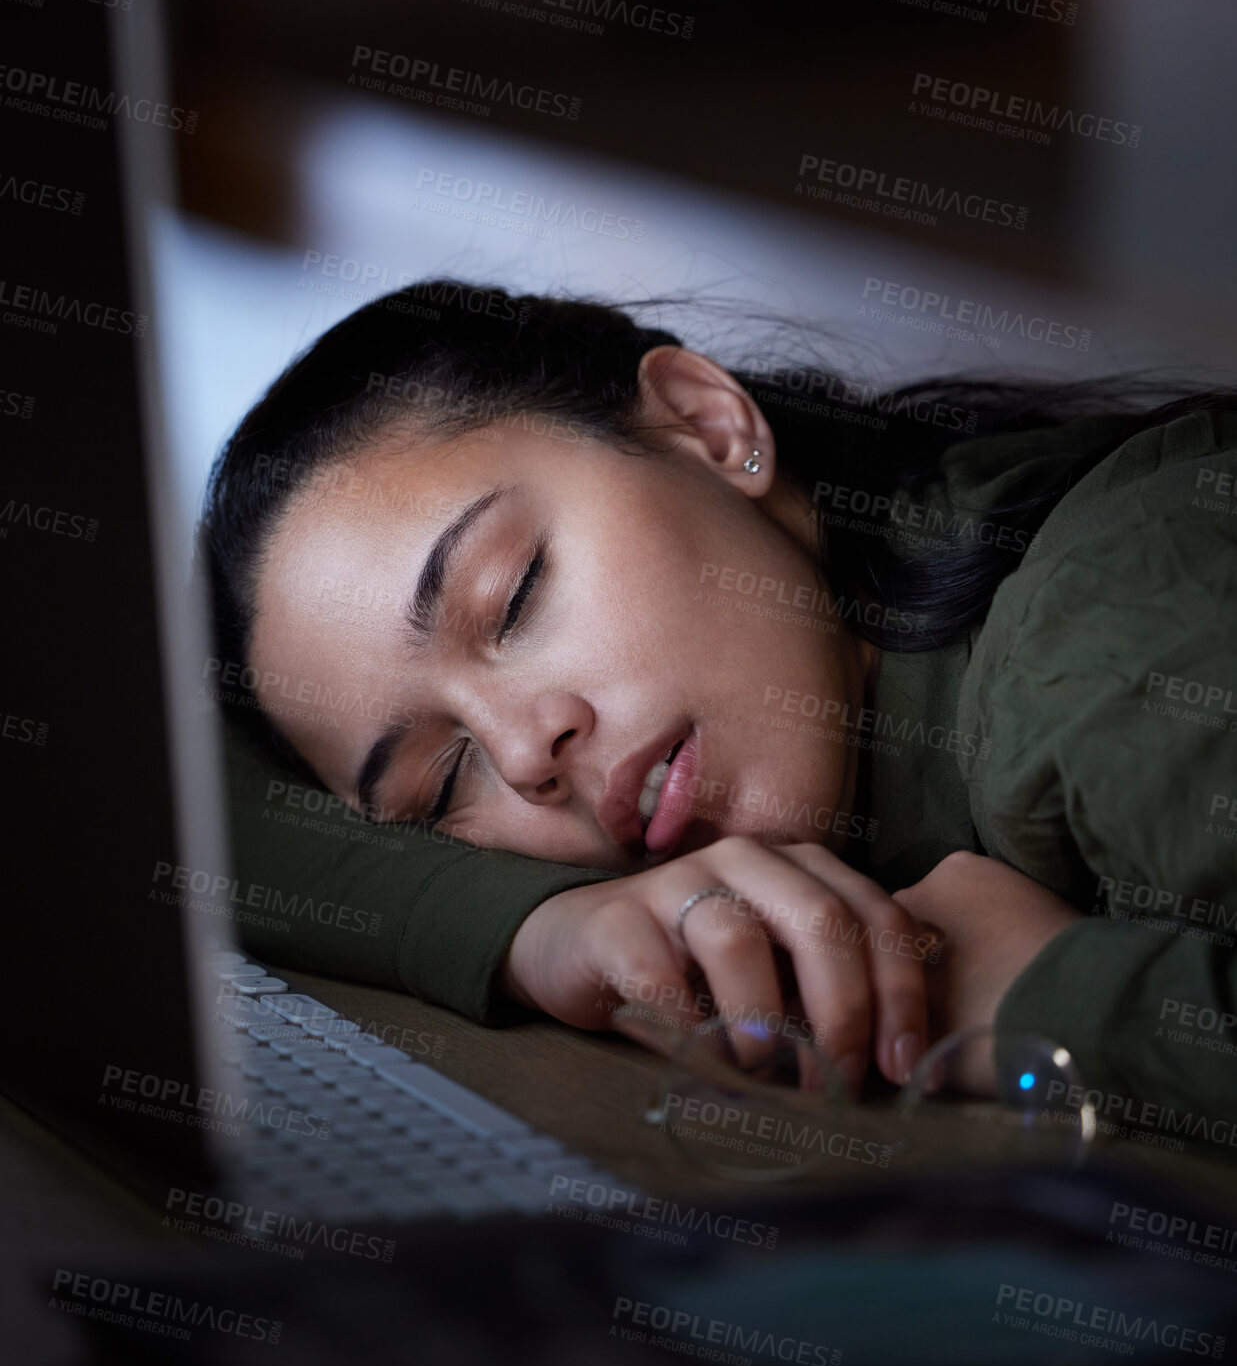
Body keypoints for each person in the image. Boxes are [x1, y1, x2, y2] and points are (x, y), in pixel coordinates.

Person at [201, 281, 1237, 1132]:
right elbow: (165, 793)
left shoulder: (1108, 652)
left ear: (705, 424)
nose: (525, 751)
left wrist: (1052, 993)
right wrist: (544, 929)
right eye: (444, 782)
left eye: (513, 598)